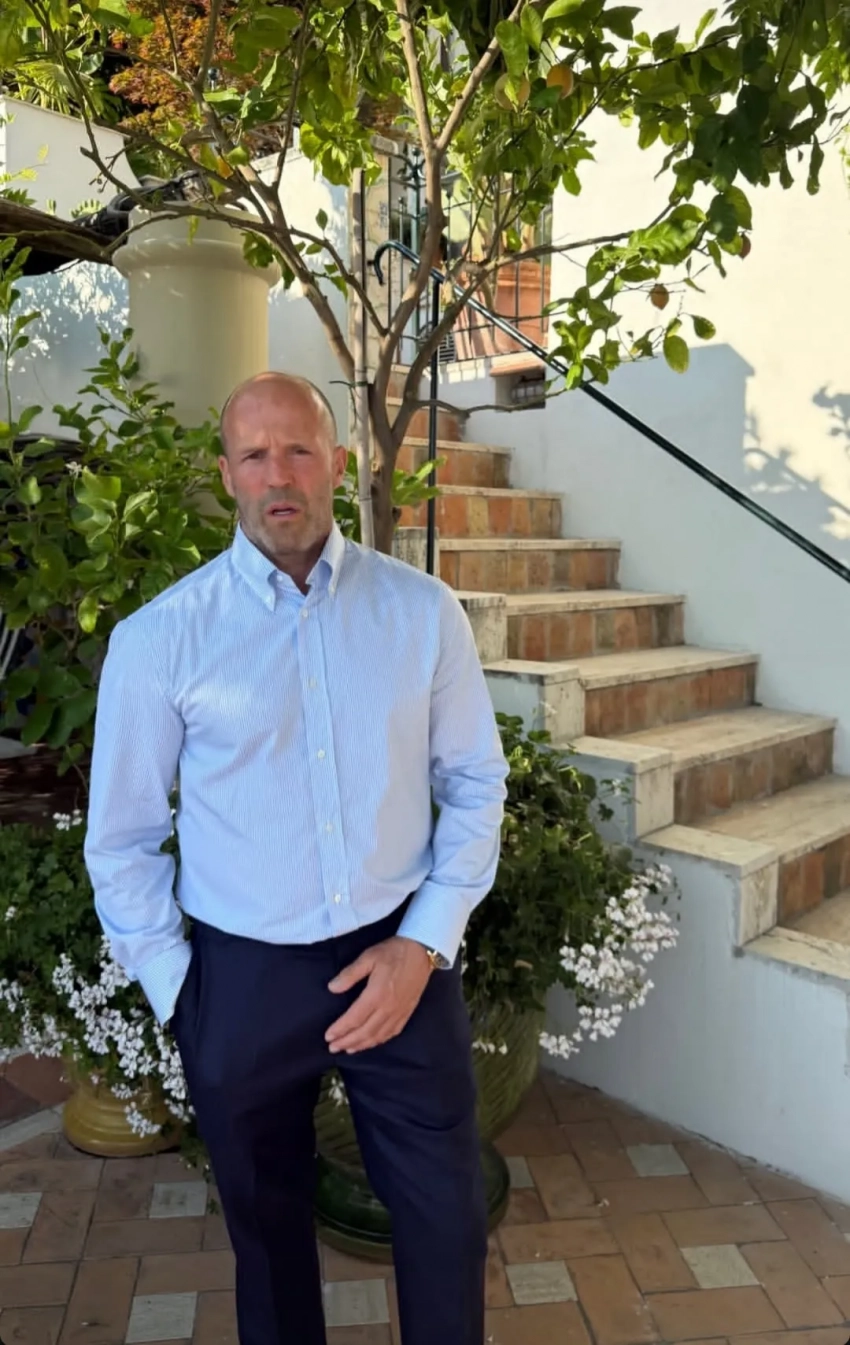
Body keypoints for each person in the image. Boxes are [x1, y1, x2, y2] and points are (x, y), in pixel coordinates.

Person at [84, 372, 509, 1345]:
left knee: (446, 1222)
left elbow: (475, 782)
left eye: (299, 450)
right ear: (226, 472)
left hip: (399, 958)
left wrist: (426, 942)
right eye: (254, 454)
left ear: (339, 464)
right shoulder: (162, 640)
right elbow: (122, 837)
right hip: (241, 978)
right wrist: (181, 992)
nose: (278, 475)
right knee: (268, 1242)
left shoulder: (421, 612)